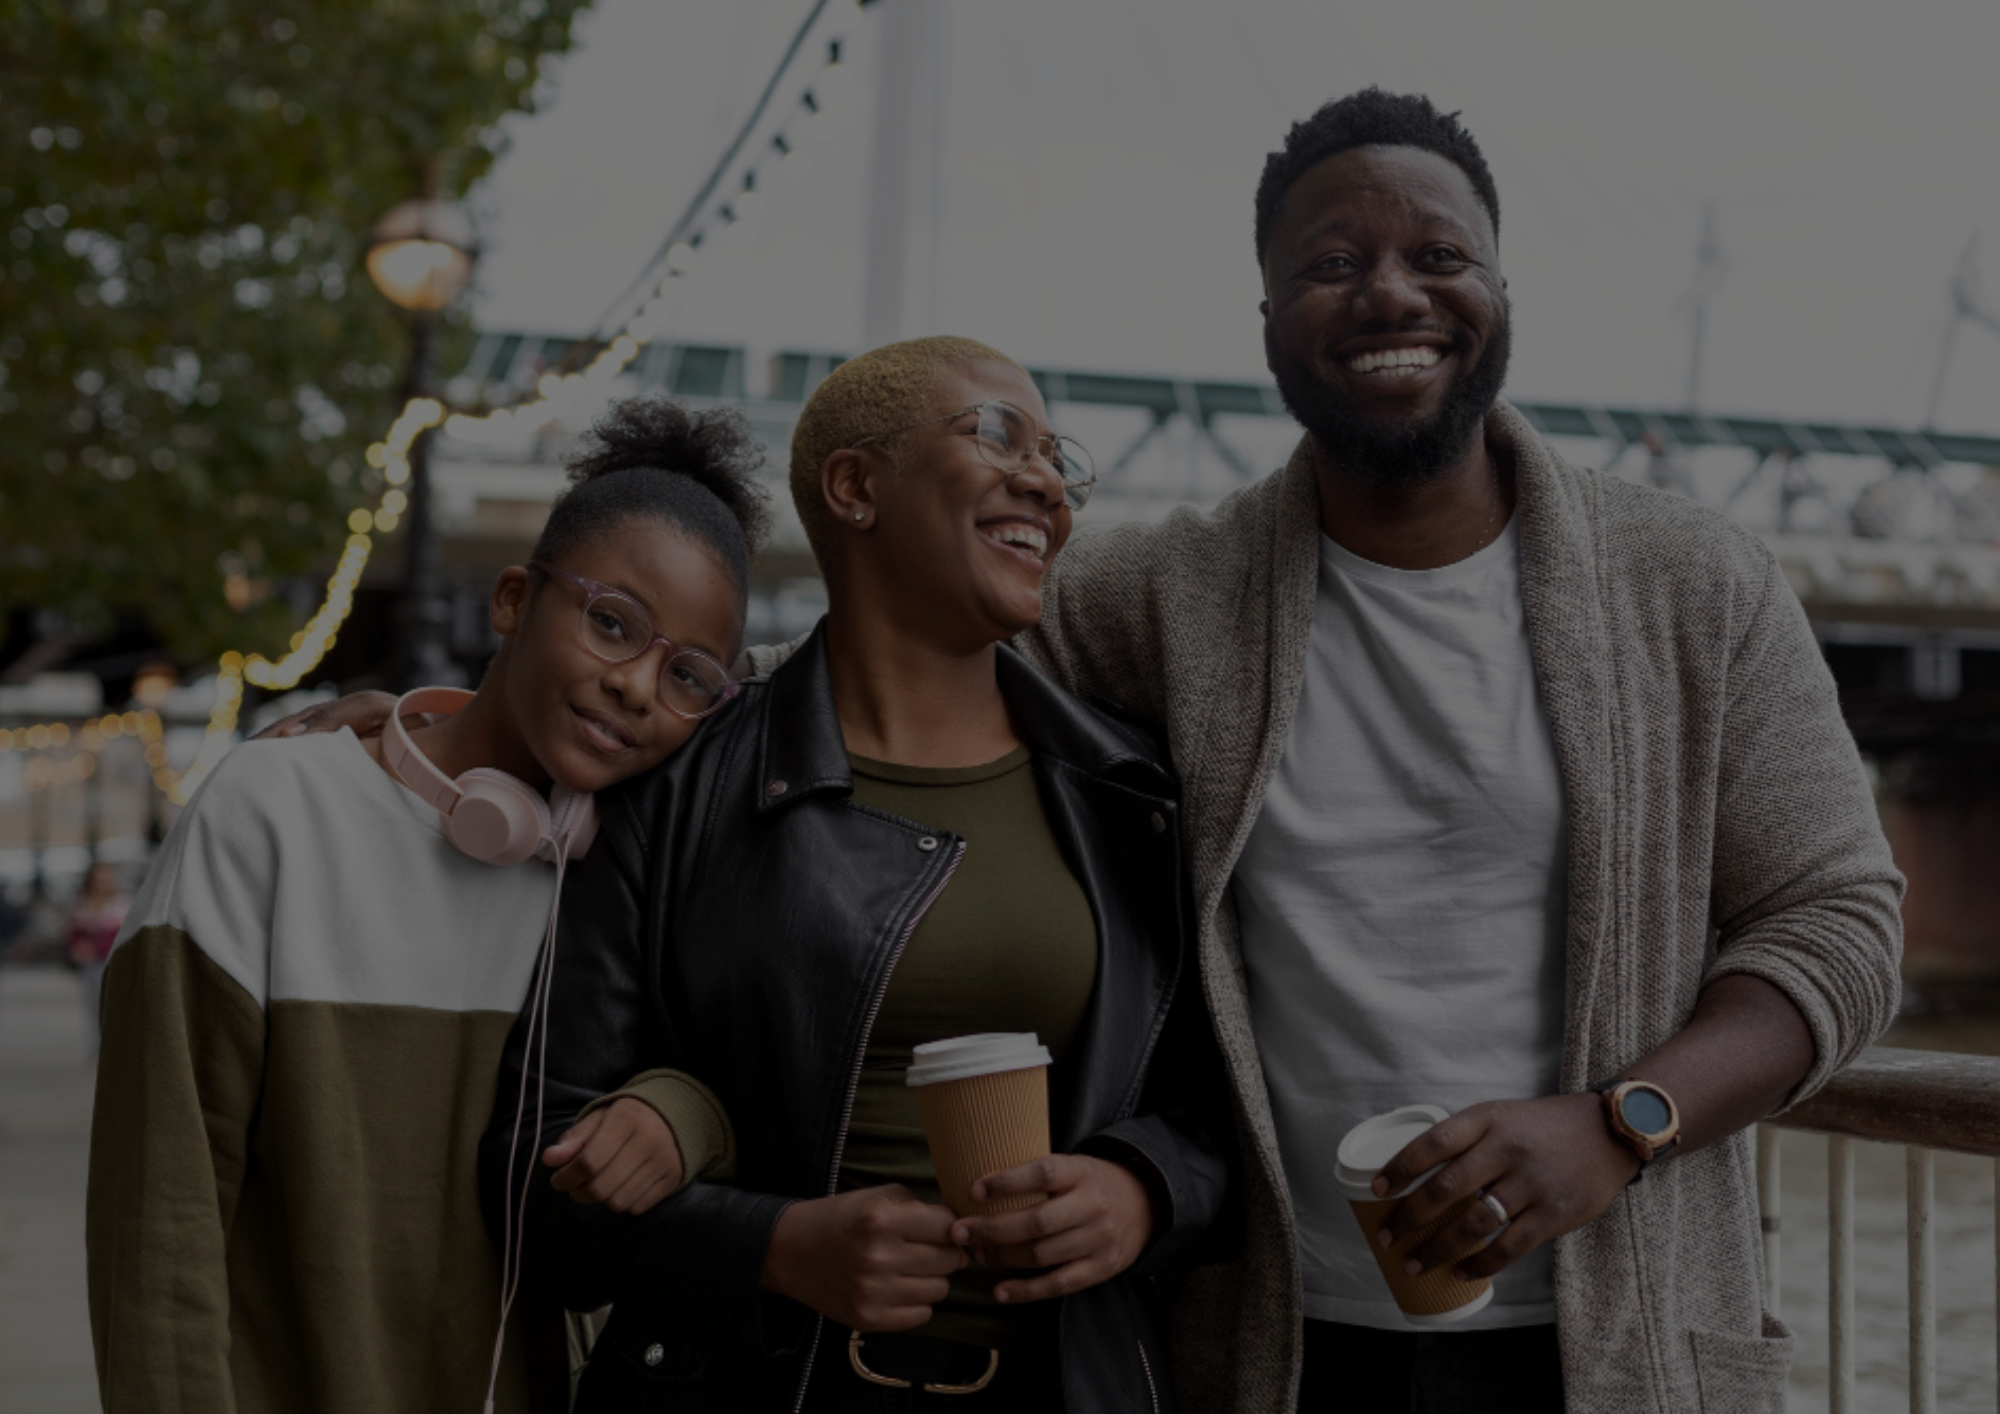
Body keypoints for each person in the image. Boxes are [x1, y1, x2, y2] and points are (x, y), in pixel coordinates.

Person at [983, 89, 1903, 1412]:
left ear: (1501, 287)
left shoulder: (1694, 583)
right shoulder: (1164, 598)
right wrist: (594, 738)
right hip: (1277, 1344)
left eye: (1438, 255)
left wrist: (1619, 1122)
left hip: (1623, 1346)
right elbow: (887, 665)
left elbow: (1841, 922)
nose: (1390, 293)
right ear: (1267, 322)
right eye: (1333, 264)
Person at [471, 335, 1232, 1413]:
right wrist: (773, 1248)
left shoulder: (1132, 790)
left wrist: (1141, 1192)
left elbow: (1227, 1111)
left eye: (1058, 459)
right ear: (853, 485)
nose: (1046, 483)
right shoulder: (676, 785)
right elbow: (534, 1164)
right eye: (997, 435)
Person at [85, 396, 767, 1414]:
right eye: (611, 622)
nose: (634, 685)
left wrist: (687, 1114)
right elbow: (161, 1220)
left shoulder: (638, 877)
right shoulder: (274, 809)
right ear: (508, 600)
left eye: (686, 674)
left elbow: (750, 1097)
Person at [64, 860, 130, 1047]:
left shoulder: (120, 902)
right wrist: (78, 947)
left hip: (114, 960)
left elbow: (123, 933)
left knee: (114, 1002)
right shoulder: (81, 902)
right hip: (91, 961)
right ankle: (97, 1042)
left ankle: (114, 1041)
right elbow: (73, 933)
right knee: (93, 1002)